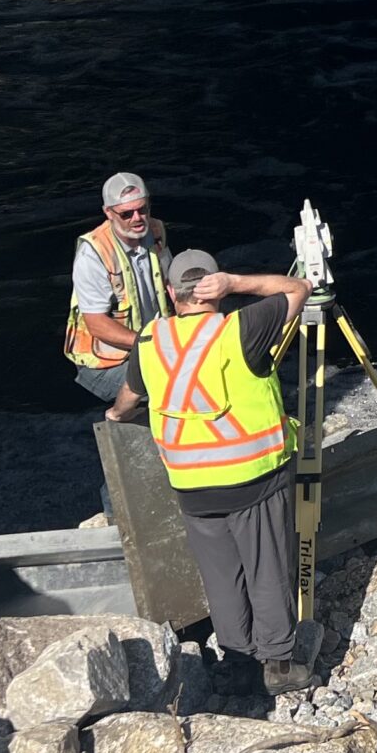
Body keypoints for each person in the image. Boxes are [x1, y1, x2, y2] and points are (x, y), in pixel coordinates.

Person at [107, 250, 316, 696]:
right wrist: (238, 281)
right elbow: (299, 288)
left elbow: (127, 400)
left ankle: (239, 668)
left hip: (192, 487)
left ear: (170, 293)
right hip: (253, 478)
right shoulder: (241, 327)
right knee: (267, 570)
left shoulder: (149, 340)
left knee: (222, 578)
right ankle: (278, 666)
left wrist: (116, 415)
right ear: (214, 285)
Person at [64, 173, 175, 402]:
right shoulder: (93, 254)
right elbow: (98, 325)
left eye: (142, 209)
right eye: (126, 214)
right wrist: (151, 343)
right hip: (106, 363)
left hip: (152, 345)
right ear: (108, 213)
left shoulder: (155, 231)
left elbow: (171, 284)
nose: (137, 218)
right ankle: (120, 418)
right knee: (170, 384)